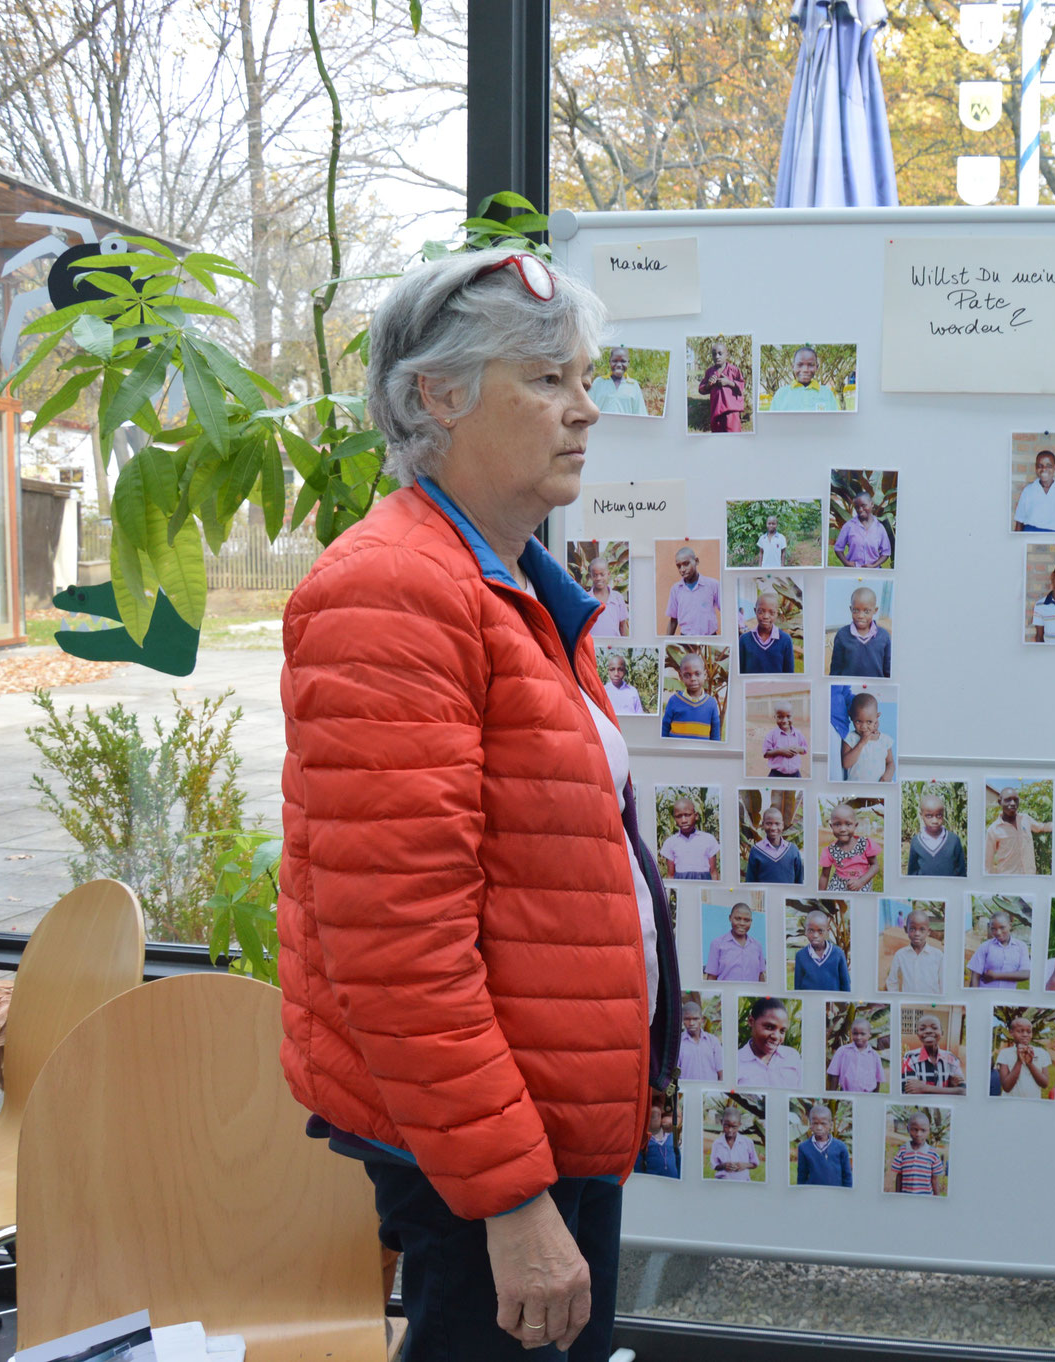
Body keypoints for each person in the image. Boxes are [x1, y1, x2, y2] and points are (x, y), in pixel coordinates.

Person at [280, 251, 679, 1362]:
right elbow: (397, 944)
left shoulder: (499, 582)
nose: (586, 409)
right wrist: (509, 1200)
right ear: (438, 395)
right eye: (548, 379)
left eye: (584, 378)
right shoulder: (391, 594)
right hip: (483, 1151)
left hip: (534, 1115)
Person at [736, 996, 802, 1087]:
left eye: (782, 1031)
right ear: (751, 1021)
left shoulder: (792, 1056)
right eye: (769, 1027)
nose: (776, 1036)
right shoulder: (736, 1062)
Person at [984, 789, 1051, 877]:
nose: (1012, 803)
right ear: (1000, 802)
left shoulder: (1025, 819)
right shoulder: (993, 830)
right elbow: (987, 864)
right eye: (1008, 800)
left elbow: (1041, 827)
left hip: (1029, 876)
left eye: (1016, 800)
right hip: (1007, 879)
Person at [820, 801, 883, 891]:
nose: (843, 829)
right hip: (838, 885)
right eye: (837, 824)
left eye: (848, 824)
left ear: (855, 825)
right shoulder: (830, 850)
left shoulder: (864, 844)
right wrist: (821, 898)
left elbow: (875, 866)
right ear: (831, 826)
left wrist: (861, 882)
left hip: (862, 884)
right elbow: (824, 876)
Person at [829, 586, 891, 676]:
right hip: (849, 688)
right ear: (851, 609)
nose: (861, 616)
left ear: (875, 610)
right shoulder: (842, 635)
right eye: (856, 610)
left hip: (875, 688)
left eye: (866, 611)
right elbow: (835, 669)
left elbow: (888, 670)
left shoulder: (884, 636)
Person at [1013, 448, 1055, 532]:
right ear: (1035, 467)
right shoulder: (1028, 491)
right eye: (1040, 466)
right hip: (1032, 534)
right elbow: (1019, 521)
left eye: (1049, 466)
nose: (1044, 469)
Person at [659, 652, 722, 741]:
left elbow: (715, 736)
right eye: (687, 675)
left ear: (705, 675)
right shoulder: (674, 701)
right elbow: (664, 731)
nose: (693, 678)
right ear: (681, 677)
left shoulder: (711, 703)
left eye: (697, 674)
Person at [882, 908, 945, 994]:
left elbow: (943, 983)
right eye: (912, 929)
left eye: (922, 929)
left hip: (932, 1005)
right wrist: (898, 1002)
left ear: (928, 931)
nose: (917, 934)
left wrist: (940, 1005)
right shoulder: (900, 955)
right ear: (906, 929)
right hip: (909, 1005)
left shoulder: (938, 955)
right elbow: (892, 982)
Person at [899, 1014, 964, 1095]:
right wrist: (950, 1089)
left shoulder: (951, 1058)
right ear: (918, 1034)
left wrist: (924, 1088)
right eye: (922, 1029)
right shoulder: (910, 1058)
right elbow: (907, 1092)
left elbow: (962, 1091)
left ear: (942, 1033)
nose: (928, 1031)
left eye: (934, 1028)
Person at [905, 792, 967, 877]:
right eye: (929, 816)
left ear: (943, 814)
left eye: (939, 815)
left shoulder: (954, 840)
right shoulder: (916, 842)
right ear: (921, 815)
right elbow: (912, 873)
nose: (935, 821)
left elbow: (961, 871)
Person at [966, 908, 1031, 987]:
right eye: (993, 929)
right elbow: (975, 977)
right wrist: (974, 997)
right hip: (985, 996)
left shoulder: (1021, 947)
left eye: (1002, 927)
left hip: (1008, 997)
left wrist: (996, 976)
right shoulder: (985, 947)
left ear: (1010, 926)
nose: (998, 932)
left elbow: (1026, 974)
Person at [839, 690, 895, 782]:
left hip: (879, 789)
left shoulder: (885, 740)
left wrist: (888, 775)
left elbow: (890, 762)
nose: (864, 727)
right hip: (855, 789)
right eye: (858, 721)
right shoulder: (850, 738)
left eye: (869, 722)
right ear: (851, 717)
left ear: (876, 717)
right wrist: (862, 742)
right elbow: (846, 764)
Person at [657, 796, 718, 881]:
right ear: (674, 819)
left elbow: (713, 872)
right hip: (681, 885)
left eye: (687, 815)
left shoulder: (708, 839)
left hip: (704, 885)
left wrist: (714, 892)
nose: (684, 820)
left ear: (696, 816)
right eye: (679, 816)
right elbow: (670, 875)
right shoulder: (670, 842)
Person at [791, 908, 853, 991]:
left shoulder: (838, 953)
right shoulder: (800, 955)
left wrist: (844, 1002)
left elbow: (845, 984)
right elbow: (797, 986)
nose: (815, 935)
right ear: (805, 931)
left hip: (832, 1002)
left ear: (827, 931)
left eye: (820, 931)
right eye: (811, 931)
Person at [665, 545, 720, 637]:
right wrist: (665, 644)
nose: (682, 570)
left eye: (686, 564)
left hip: (710, 638)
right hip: (686, 639)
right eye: (678, 566)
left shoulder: (713, 585)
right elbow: (673, 620)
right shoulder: (676, 589)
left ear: (696, 561)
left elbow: (726, 612)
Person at [995, 1013, 1054, 1099]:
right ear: (1011, 1032)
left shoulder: (1041, 1052)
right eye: (1020, 1031)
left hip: (1033, 1103)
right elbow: (1006, 1087)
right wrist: (1019, 1061)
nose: (1025, 1034)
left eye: (1028, 1031)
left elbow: (1045, 1084)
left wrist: (1030, 1064)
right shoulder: (1004, 1054)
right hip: (1010, 1104)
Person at [704, 902, 766, 983]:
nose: (742, 923)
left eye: (746, 920)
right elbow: (711, 978)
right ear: (730, 918)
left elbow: (760, 976)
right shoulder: (717, 944)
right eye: (737, 919)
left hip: (751, 995)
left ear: (751, 921)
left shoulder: (757, 946)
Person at [794, 1104, 854, 1186]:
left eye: (823, 1123)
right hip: (813, 1193)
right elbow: (802, 1176)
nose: (819, 1127)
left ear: (831, 1125)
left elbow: (847, 1175)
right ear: (810, 1125)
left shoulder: (841, 1147)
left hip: (836, 1194)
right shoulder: (804, 1147)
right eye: (815, 1123)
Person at [745, 804, 806, 884]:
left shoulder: (793, 850)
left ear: (782, 825)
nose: (773, 828)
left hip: (787, 896)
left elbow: (799, 880)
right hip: (766, 896)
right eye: (769, 823)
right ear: (763, 824)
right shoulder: (756, 850)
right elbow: (750, 881)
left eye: (777, 824)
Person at [768, 346, 841, 412]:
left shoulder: (827, 393)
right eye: (800, 364)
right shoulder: (781, 394)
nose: (805, 369)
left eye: (811, 365)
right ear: (793, 366)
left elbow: (834, 422)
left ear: (817, 367)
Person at [889, 1111, 945, 1194]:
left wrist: (937, 1201)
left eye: (923, 1130)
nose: (918, 1134)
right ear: (908, 1129)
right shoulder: (902, 1151)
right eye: (915, 1130)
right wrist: (898, 1196)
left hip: (926, 1200)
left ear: (929, 1131)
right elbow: (899, 1176)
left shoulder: (933, 1154)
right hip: (906, 1197)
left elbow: (935, 1180)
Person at [738, 591, 796, 673]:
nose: (766, 616)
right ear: (755, 611)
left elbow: (789, 674)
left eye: (771, 612)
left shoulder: (786, 640)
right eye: (761, 611)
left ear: (777, 614)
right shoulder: (744, 640)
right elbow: (740, 671)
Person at [826, 1016, 886, 1093]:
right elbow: (834, 1076)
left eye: (862, 1034)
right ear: (851, 1033)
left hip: (867, 1096)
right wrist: (832, 1097)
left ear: (869, 1034)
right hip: (846, 1095)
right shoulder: (842, 1051)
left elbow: (877, 1081)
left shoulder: (874, 1056)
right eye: (855, 1034)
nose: (858, 1037)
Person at [832, 491, 893, 567]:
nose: (860, 510)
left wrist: (874, 565)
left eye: (863, 505)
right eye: (857, 507)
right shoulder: (849, 526)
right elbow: (838, 548)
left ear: (872, 504)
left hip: (873, 572)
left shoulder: (879, 528)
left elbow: (886, 553)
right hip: (853, 571)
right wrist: (846, 563)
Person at [697, 341, 746, 433]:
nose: (717, 357)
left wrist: (729, 382)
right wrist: (709, 384)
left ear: (726, 354)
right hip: (716, 412)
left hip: (731, 413)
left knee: (733, 439)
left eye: (720, 354)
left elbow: (741, 386)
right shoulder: (710, 372)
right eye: (714, 354)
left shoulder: (734, 370)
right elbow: (701, 389)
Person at [676, 998, 724, 1081]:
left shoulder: (713, 1042)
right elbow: (674, 1075)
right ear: (683, 1020)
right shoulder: (678, 1043)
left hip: (710, 1092)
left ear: (702, 1020)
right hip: (686, 1092)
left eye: (695, 1019)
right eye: (687, 1019)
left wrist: (717, 1092)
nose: (691, 1023)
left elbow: (721, 1073)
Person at [591, 346, 647, 416]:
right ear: (610, 362)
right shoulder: (598, 382)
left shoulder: (634, 386)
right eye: (615, 361)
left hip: (625, 426)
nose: (619, 365)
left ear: (628, 363)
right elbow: (588, 409)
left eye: (623, 361)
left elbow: (640, 414)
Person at [708, 1106, 759, 1180]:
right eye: (726, 1125)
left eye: (734, 1126)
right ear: (722, 1122)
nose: (730, 1130)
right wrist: (724, 1166)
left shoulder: (747, 1142)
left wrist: (744, 1165)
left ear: (739, 1125)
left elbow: (755, 1164)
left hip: (742, 1183)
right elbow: (714, 1165)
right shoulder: (717, 1143)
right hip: (722, 1183)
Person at [759, 701, 809, 778]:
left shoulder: (798, 734)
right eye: (780, 717)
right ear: (775, 717)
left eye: (788, 716)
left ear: (793, 716)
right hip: (776, 774)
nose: (785, 720)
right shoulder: (771, 735)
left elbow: (804, 749)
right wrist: (780, 751)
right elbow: (766, 754)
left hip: (795, 774)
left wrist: (798, 749)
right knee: (775, 790)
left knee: (795, 790)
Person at [634, 1099, 680, 1177]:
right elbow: (638, 1164)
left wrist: (680, 1176)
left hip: (673, 1181)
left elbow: (678, 1157)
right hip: (651, 1182)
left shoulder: (671, 1136)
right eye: (652, 1117)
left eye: (657, 1116)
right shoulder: (644, 1139)